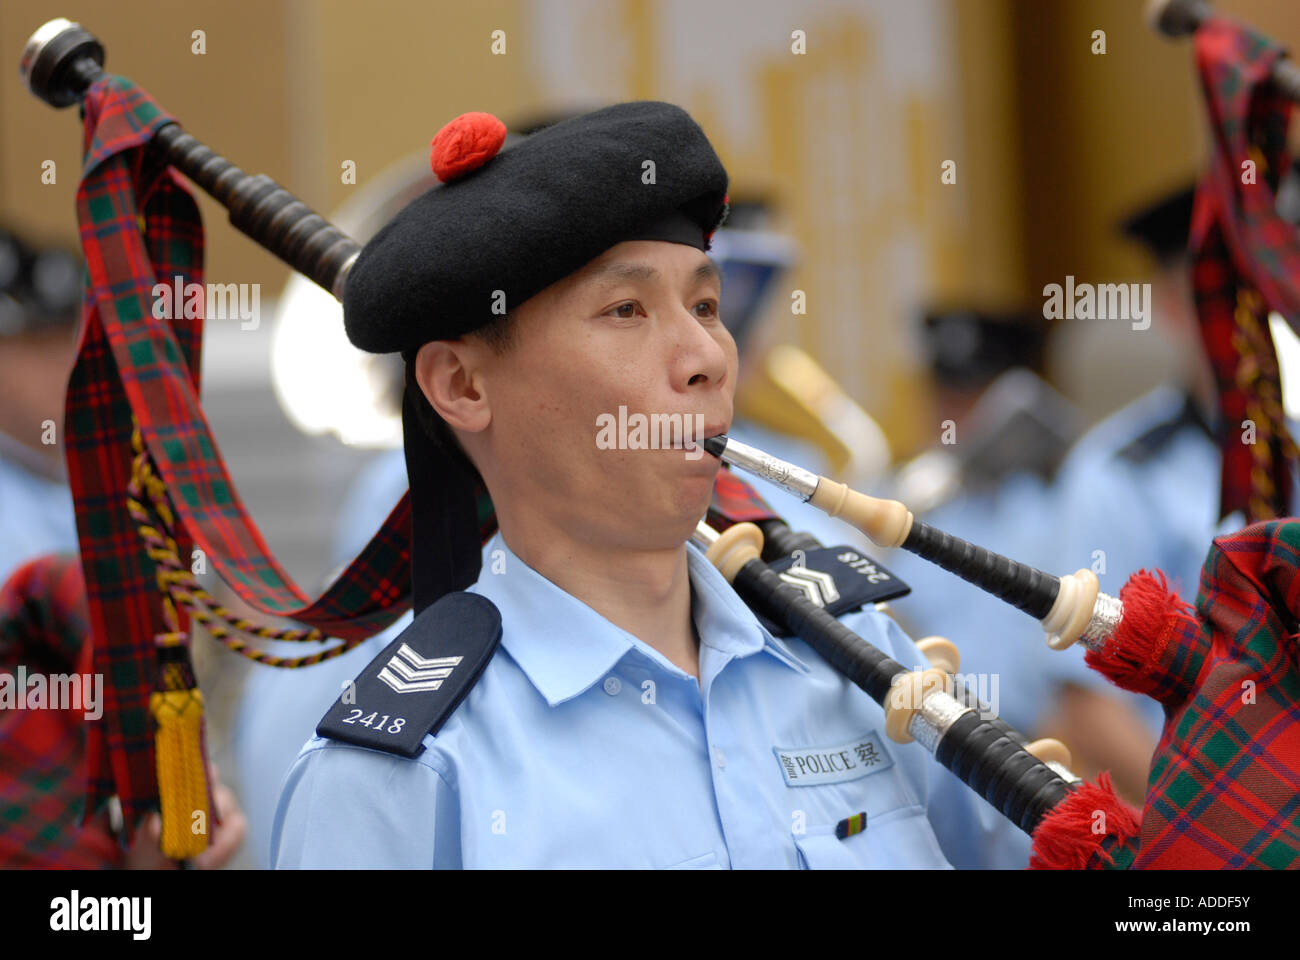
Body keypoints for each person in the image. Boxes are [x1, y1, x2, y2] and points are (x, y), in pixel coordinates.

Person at [272, 102, 1033, 869]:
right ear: (463, 384)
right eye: (626, 310)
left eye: (706, 305)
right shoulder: (406, 771)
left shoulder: (858, 656)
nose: (707, 353)